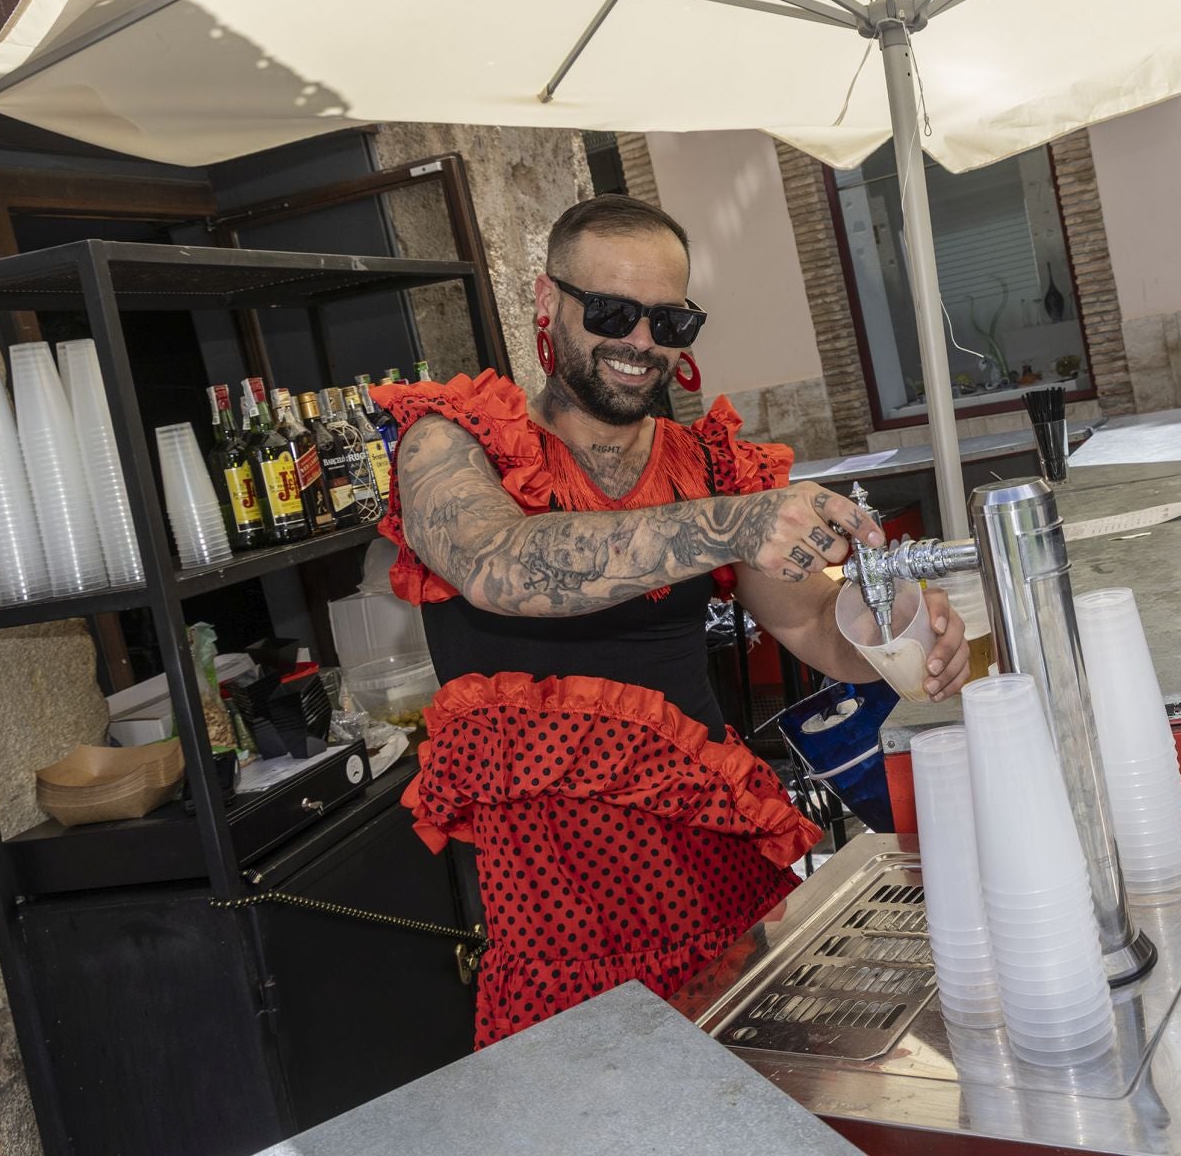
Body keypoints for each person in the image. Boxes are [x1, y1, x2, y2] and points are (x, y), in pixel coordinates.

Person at [369, 194, 970, 1047]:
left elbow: (811, 629)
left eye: (669, 320)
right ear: (547, 303)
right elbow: (495, 564)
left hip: (717, 869)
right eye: (612, 312)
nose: (640, 343)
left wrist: (900, 632)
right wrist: (730, 524)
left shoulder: (709, 465)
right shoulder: (453, 442)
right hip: (557, 916)